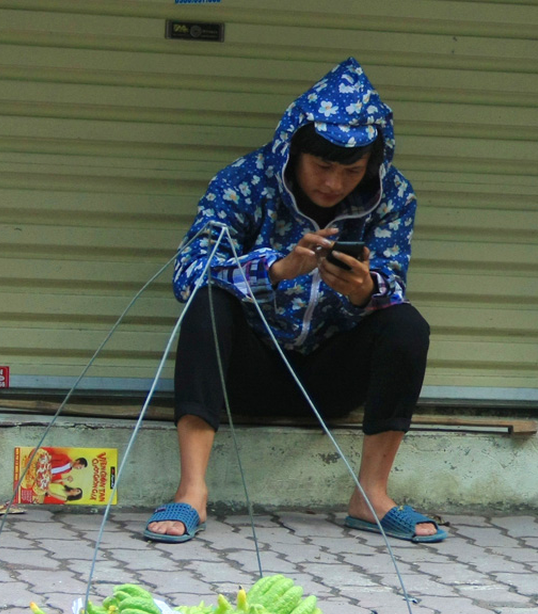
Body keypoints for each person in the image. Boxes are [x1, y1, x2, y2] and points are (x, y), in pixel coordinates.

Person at [143, 58, 444, 545]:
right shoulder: (244, 181)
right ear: (291, 150)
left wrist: (366, 291)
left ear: (371, 164)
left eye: (351, 170)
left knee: (407, 325)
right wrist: (275, 270)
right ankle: (192, 490)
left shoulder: (394, 196)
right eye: (321, 166)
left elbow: (394, 280)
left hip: (331, 379)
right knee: (205, 304)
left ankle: (371, 496)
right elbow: (186, 271)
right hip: (248, 372)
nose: (333, 183)